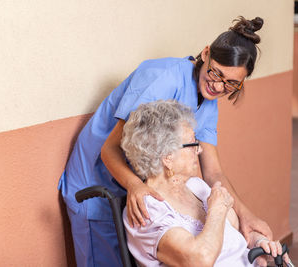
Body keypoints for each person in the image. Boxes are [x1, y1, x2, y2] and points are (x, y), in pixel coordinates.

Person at [58, 16, 273, 266]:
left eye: (231, 84)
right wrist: (135, 186)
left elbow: (213, 171)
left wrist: (246, 216)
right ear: (205, 53)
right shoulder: (162, 77)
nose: (218, 85)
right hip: (96, 181)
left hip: (143, 186)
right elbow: (110, 148)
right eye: (216, 73)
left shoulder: (209, 100)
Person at [121, 100, 291, 267]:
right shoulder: (147, 210)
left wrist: (259, 242)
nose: (199, 149)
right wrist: (216, 209)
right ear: (167, 157)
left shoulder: (196, 186)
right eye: (193, 143)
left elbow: (236, 231)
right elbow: (199, 261)